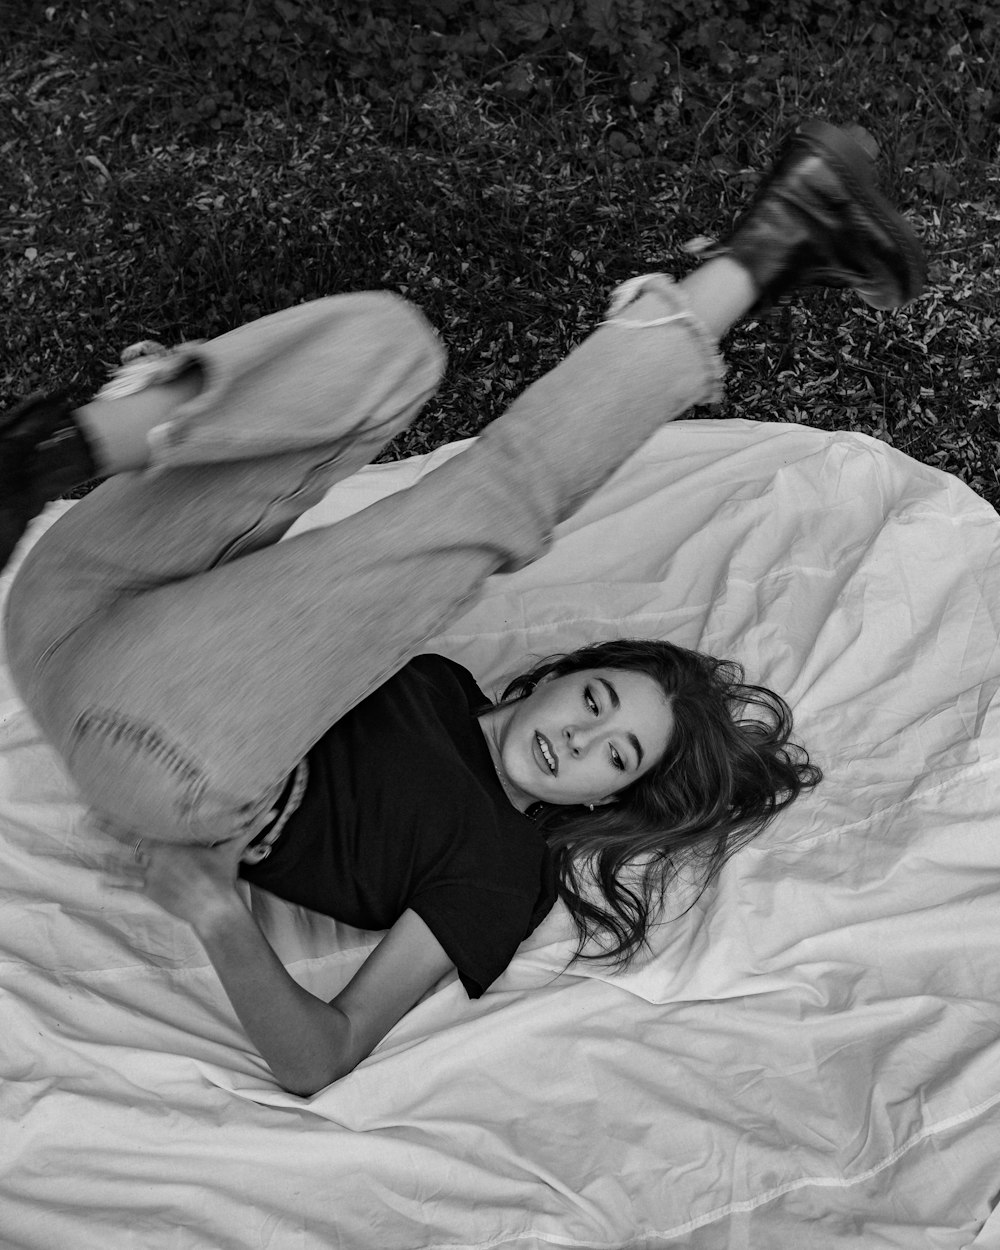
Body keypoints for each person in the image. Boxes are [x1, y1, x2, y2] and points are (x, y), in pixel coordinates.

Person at [0, 120, 924, 1096]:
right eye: (598, 699)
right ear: (559, 672)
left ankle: (768, 246)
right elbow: (279, 603)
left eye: (617, 754)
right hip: (69, 594)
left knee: (495, 496)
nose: (581, 738)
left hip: (161, 749)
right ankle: (54, 448)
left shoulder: (498, 871)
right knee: (392, 347)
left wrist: (221, 914)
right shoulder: (436, 681)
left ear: (609, 800)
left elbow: (327, 1052)